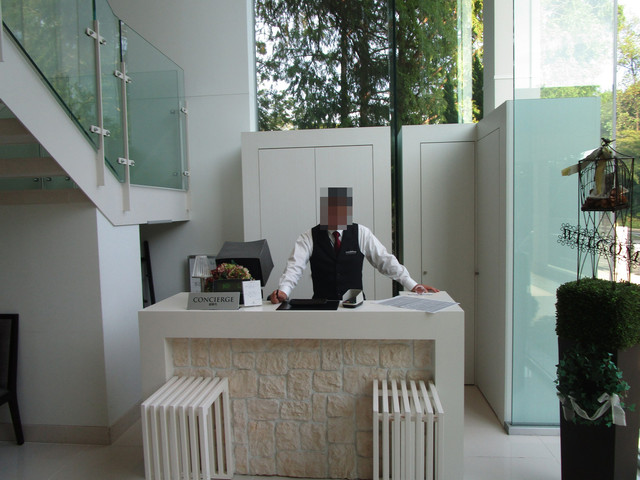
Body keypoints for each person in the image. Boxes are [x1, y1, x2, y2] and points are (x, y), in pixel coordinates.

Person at [270, 187, 438, 303]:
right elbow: (294, 267)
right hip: (322, 307)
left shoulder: (361, 233)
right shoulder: (308, 237)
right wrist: (284, 290)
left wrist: (412, 285)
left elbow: (385, 261)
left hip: (356, 306)